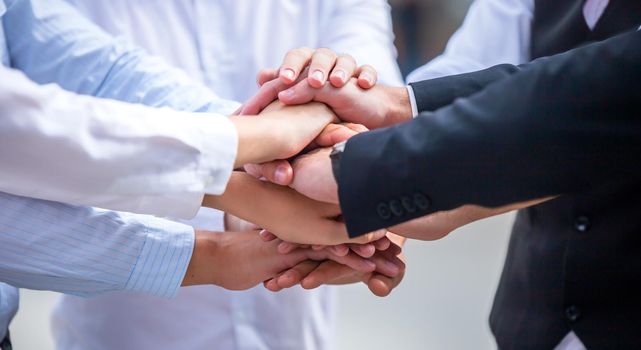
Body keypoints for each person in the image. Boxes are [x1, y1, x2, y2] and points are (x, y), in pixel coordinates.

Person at [0, 0, 397, 347]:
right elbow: (25, 130)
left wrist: (347, 162)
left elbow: (100, 68)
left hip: (290, 323)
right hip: (131, 329)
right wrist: (242, 153)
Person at [251, 24, 641, 350]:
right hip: (535, 323)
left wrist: (364, 172)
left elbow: (608, 95)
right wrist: (390, 113)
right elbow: (481, 64)